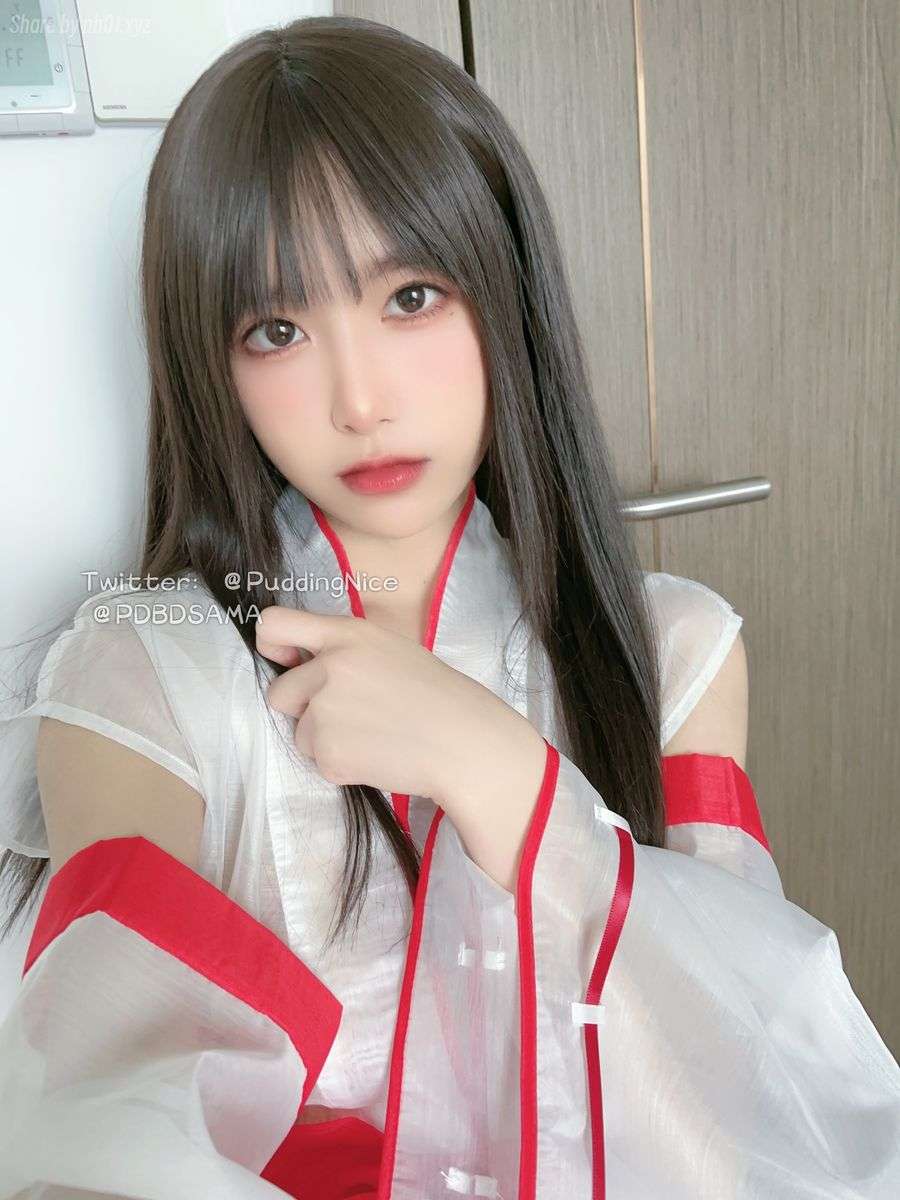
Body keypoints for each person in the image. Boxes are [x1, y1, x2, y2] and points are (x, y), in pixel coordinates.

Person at [0, 15, 897, 1200]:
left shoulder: (674, 651)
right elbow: (100, 1139)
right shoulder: (144, 672)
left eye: (412, 296)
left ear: (505, 288)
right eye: (277, 329)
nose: (360, 399)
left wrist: (509, 787)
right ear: (213, 367)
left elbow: (740, 1127)